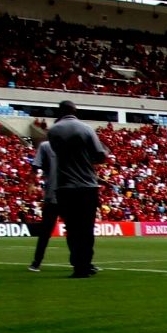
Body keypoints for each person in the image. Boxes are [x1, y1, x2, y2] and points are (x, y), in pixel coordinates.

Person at [46, 100, 108, 278]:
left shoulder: (53, 131)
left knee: (72, 228)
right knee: (86, 228)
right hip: (86, 186)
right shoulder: (85, 128)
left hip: (64, 186)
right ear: (75, 111)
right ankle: (85, 264)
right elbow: (98, 156)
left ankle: (77, 265)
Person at [28, 138, 59, 272]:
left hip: (65, 194)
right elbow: (35, 166)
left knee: (77, 231)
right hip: (55, 195)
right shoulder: (47, 146)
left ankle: (36, 262)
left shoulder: (47, 146)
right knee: (46, 231)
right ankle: (36, 261)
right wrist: (31, 183)